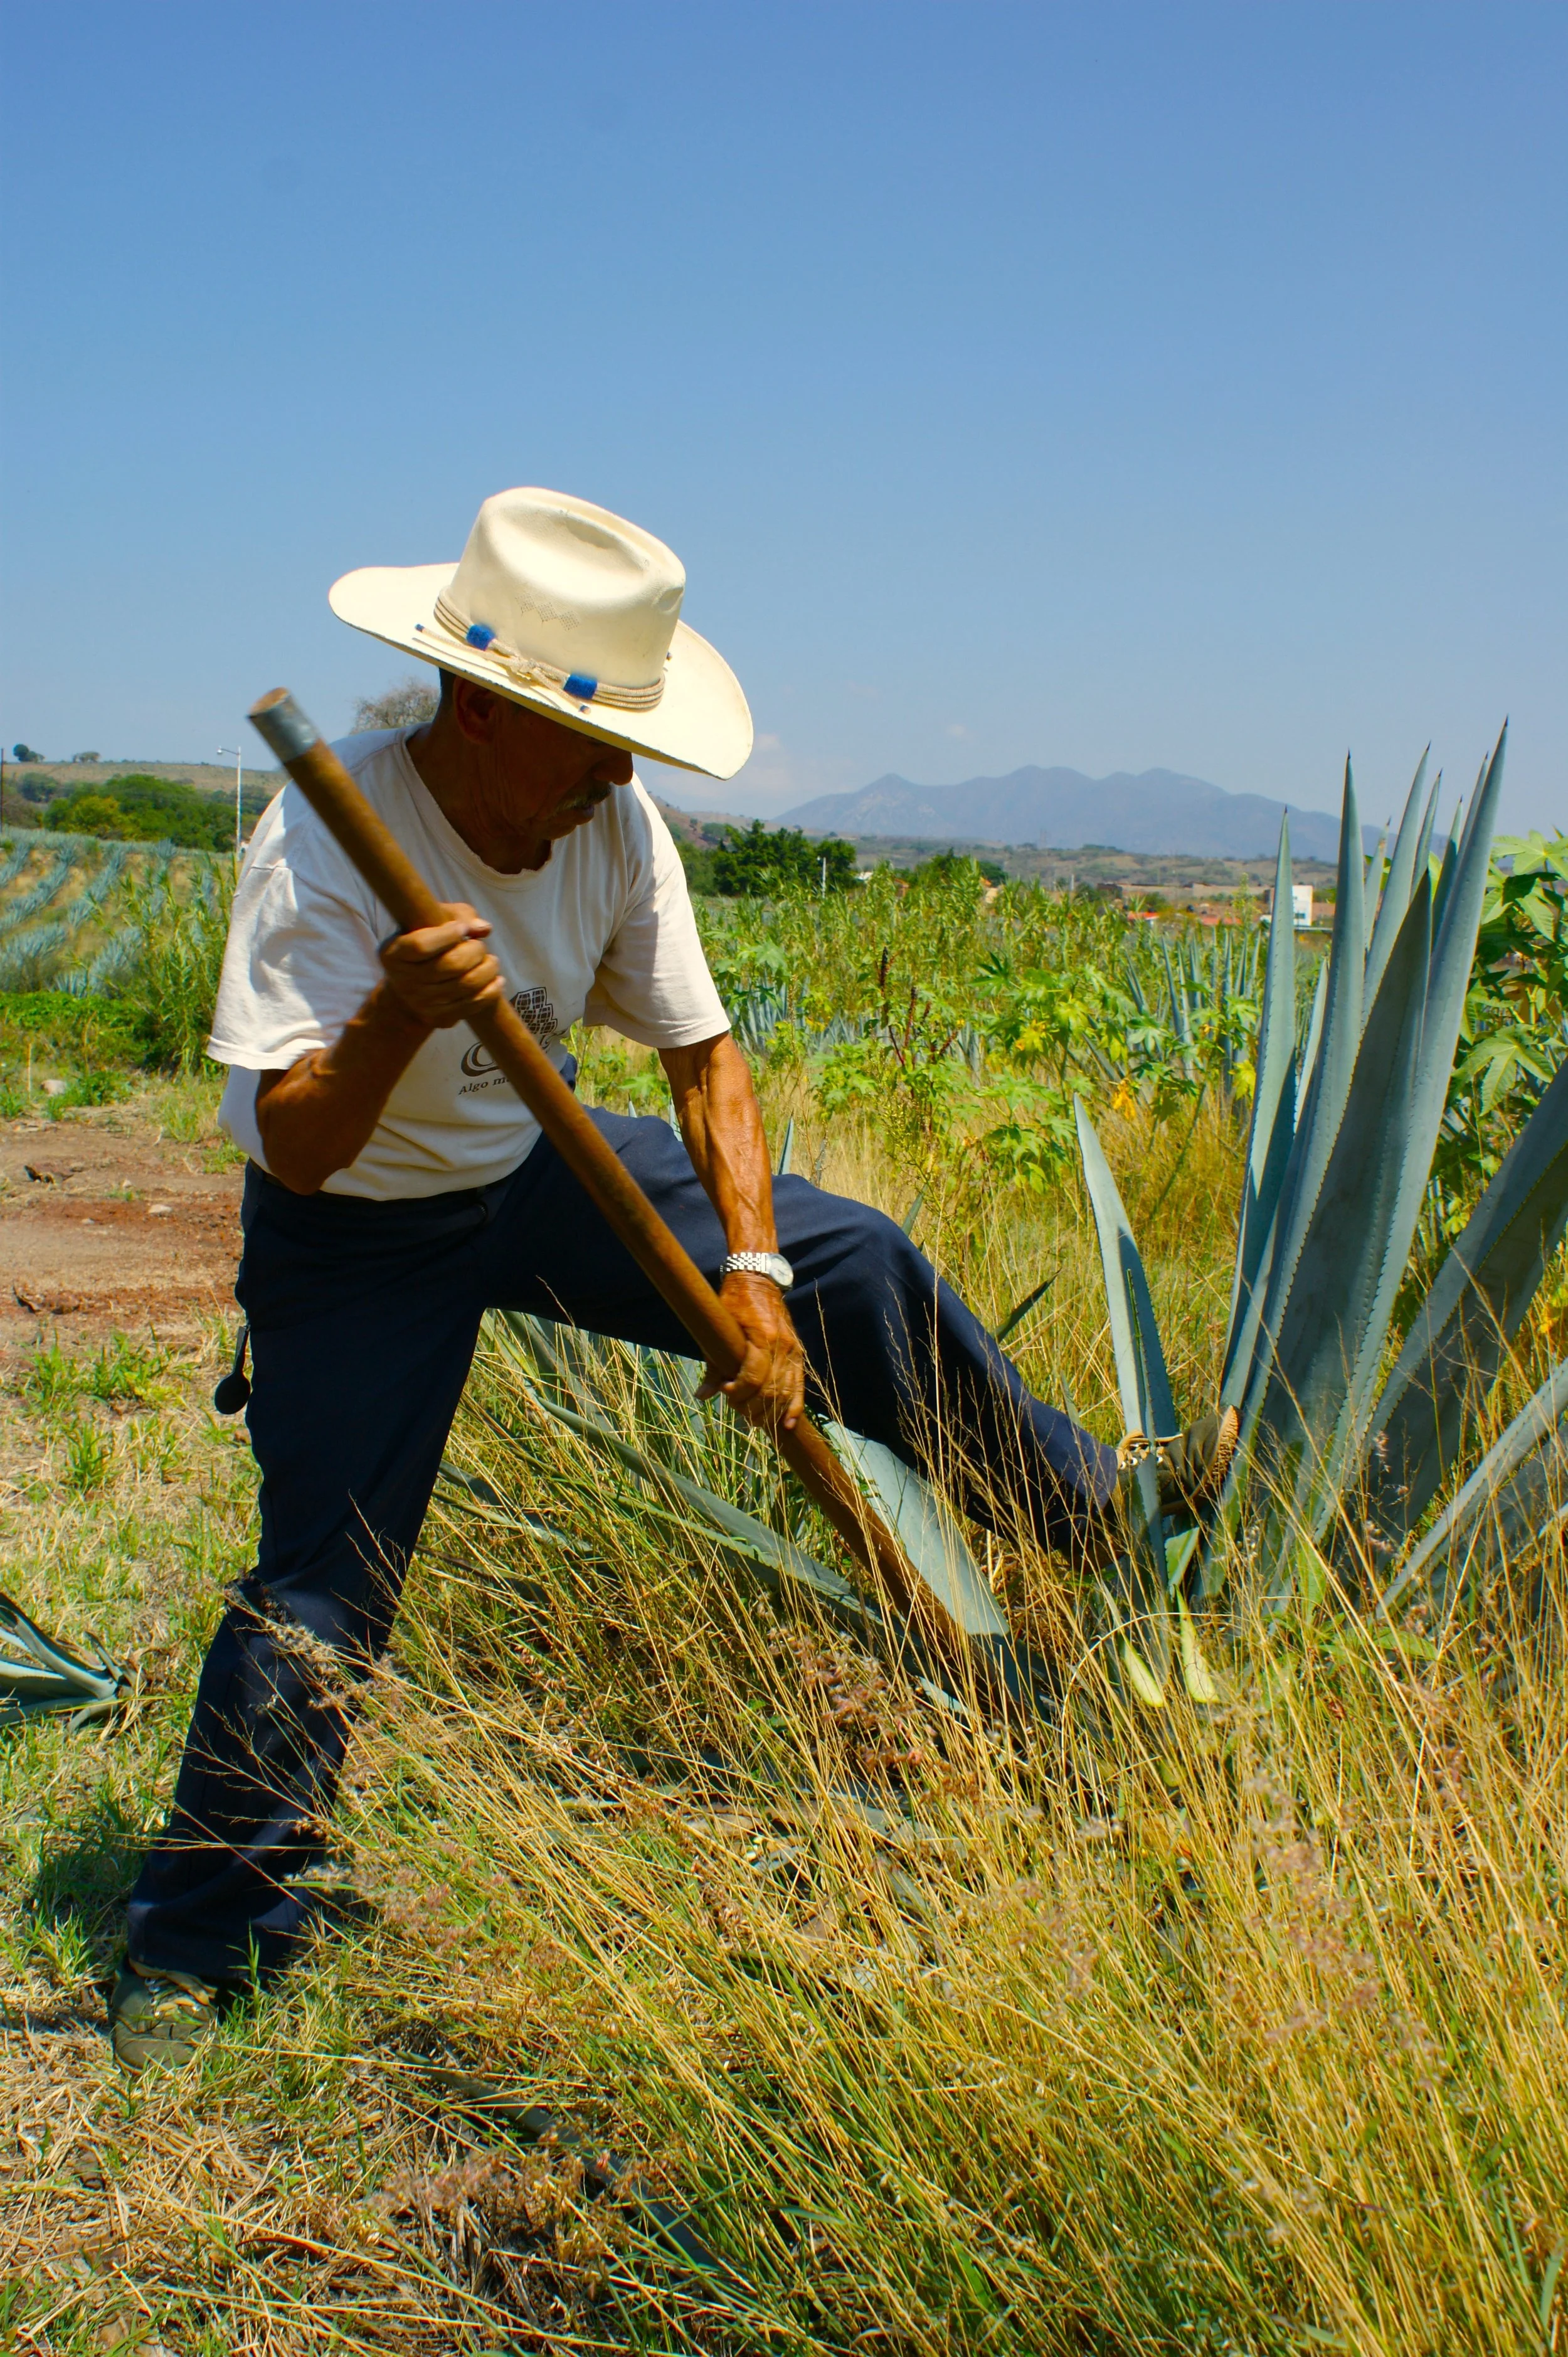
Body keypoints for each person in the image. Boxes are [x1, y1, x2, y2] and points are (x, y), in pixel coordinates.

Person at [110, 487, 1234, 2073]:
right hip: (360, 1225)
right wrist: (391, 1021)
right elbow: (295, 1147)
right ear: (484, 709)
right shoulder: (321, 838)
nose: (625, 773)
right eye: (595, 738)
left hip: (537, 1164)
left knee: (855, 1264)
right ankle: (201, 1933)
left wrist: (758, 1278)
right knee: (324, 1576)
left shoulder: (605, 827)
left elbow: (704, 1060)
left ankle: (1085, 1505)